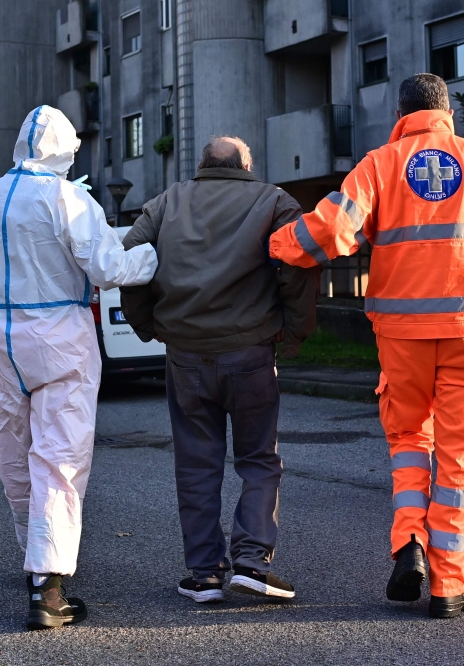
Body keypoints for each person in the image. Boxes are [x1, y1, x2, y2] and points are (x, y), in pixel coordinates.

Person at [268, 74, 464, 618]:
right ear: (447, 111)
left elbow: (330, 231)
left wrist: (274, 244)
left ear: (400, 113)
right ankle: (448, 586)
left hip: (401, 337)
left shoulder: (380, 163)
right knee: (458, 460)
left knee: (407, 443)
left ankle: (409, 546)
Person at [0, 106, 158, 630]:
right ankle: (48, 589)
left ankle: (32, 559)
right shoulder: (69, 197)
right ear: (66, 149)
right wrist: (150, 258)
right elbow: (107, 268)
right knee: (60, 455)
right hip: (58, 333)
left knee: (11, 446)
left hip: (0, 332)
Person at [120, 136, 318, 603]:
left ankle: (205, 574)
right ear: (246, 164)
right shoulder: (274, 201)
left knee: (196, 463)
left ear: (204, 165)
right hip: (250, 351)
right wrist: (294, 333)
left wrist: (147, 324)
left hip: (185, 354)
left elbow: (131, 260)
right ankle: (251, 561)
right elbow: (299, 264)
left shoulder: (166, 202)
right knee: (258, 459)